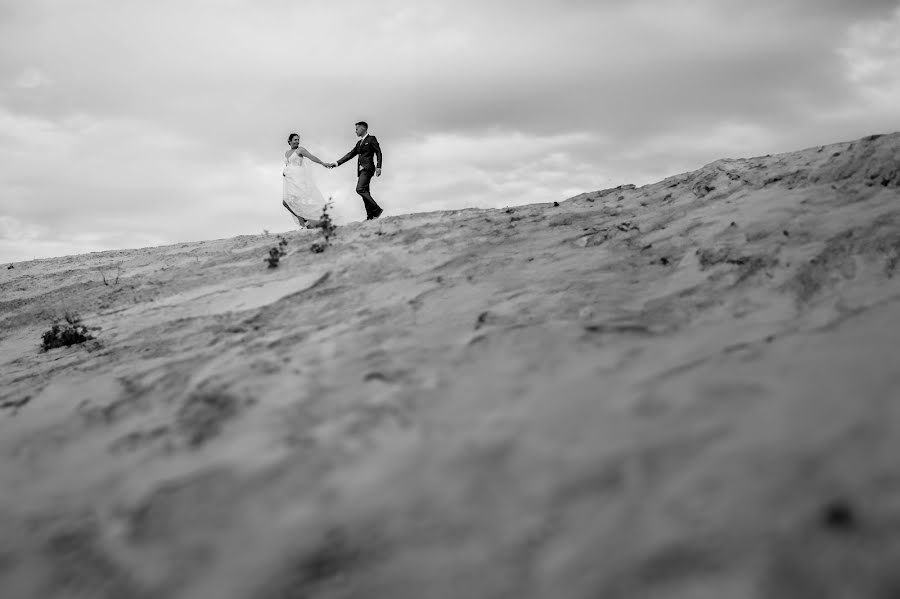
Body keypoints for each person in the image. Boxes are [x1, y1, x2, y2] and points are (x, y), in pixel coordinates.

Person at [327, 121, 383, 220]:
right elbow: (350, 154)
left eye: (357, 129)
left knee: (360, 189)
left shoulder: (371, 139)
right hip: (361, 170)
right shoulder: (359, 143)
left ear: (363, 128)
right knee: (365, 192)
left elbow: (378, 152)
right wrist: (336, 163)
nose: (355, 131)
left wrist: (379, 167)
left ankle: (377, 209)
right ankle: (370, 216)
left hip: (368, 168)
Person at [282, 132, 331, 229]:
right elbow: (288, 165)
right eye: (295, 140)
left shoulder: (301, 150)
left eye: (298, 139)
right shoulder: (286, 153)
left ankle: (304, 225)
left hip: (299, 178)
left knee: (297, 201)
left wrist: (323, 163)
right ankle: (305, 221)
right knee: (286, 202)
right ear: (290, 141)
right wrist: (284, 172)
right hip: (289, 180)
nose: (297, 141)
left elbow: (311, 157)